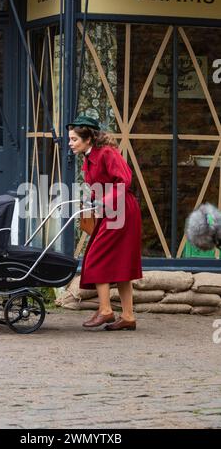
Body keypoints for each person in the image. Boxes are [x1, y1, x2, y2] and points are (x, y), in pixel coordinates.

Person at [67, 115, 142, 331]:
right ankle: (128, 316)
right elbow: (98, 186)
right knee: (120, 264)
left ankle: (106, 310)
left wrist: (103, 200)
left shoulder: (107, 153)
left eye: (74, 139)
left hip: (121, 210)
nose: (70, 143)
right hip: (109, 210)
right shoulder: (89, 157)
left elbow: (124, 180)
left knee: (96, 256)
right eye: (70, 139)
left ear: (88, 138)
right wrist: (90, 201)